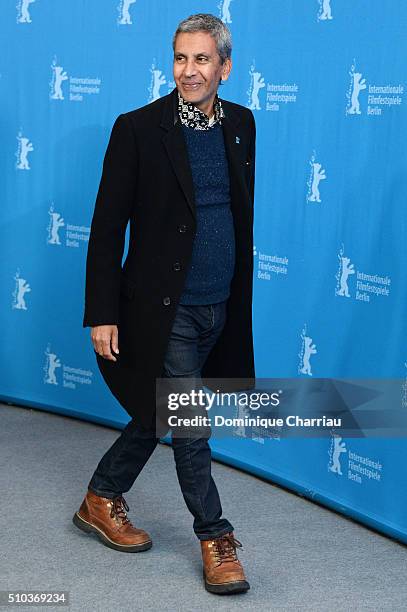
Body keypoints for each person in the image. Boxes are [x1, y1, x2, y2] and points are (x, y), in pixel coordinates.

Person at [73, 13, 256, 595]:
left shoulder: (243, 125)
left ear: (224, 67)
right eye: (181, 58)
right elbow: (106, 229)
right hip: (162, 308)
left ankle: (101, 497)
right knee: (189, 424)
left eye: (202, 60)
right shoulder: (138, 129)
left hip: (219, 303)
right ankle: (215, 536)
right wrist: (103, 310)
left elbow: (234, 212)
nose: (189, 71)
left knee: (158, 412)